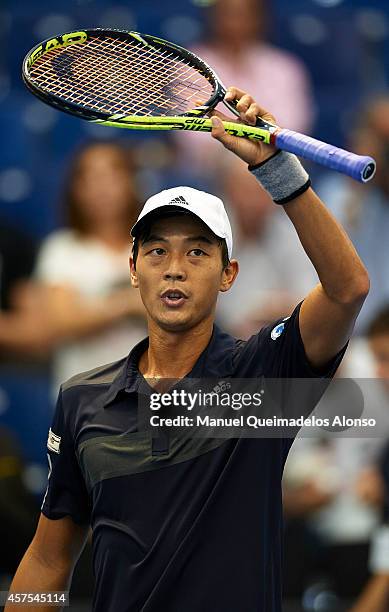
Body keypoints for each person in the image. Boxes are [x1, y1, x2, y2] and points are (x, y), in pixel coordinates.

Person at [5, 88, 369, 612]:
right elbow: (48, 561)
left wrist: (277, 172)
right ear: (134, 271)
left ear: (228, 275)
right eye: (156, 251)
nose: (174, 267)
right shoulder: (81, 400)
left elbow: (348, 288)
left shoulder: (260, 378)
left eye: (197, 252)